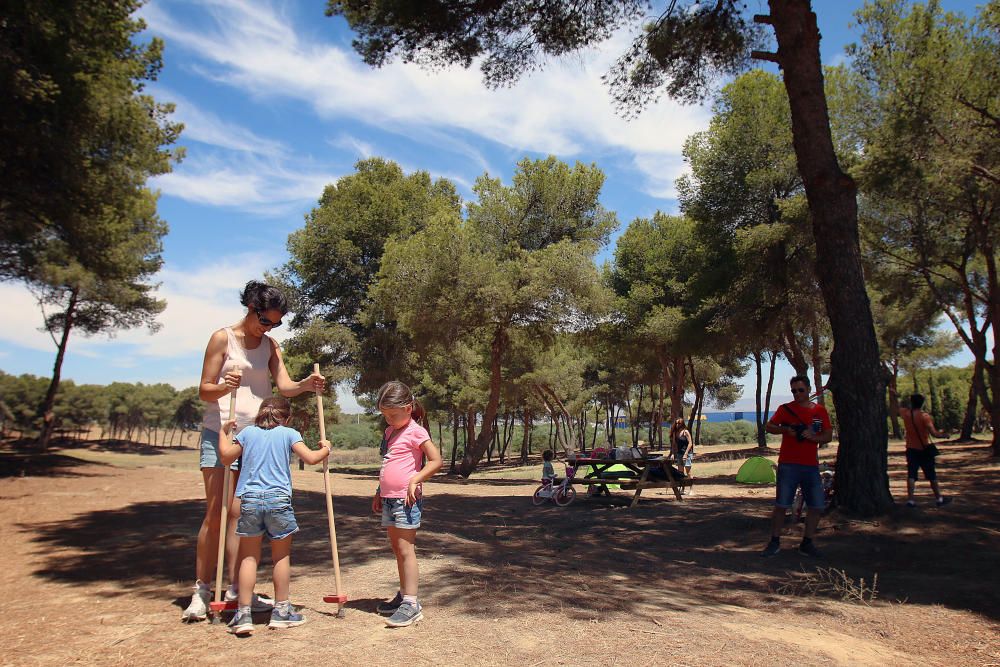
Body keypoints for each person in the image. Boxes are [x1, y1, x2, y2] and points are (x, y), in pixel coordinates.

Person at [182, 281, 325, 622]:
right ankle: (202, 590)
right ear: (251, 308)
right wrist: (223, 386)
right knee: (215, 513)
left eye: (275, 324)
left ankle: (236, 591)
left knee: (239, 516)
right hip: (221, 433)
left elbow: (285, 387)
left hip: (258, 439)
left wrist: (306, 384)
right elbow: (204, 390)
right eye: (265, 321)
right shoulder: (222, 339)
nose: (269, 328)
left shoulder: (271, 346)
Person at [217, 397, 332, 635]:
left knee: (248, 557)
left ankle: (244, 613)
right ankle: (281, 611)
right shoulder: (289, 433)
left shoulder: (247, 433)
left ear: (261, 414)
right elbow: (310, 458)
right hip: (278, 500)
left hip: (248, 500)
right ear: (287, 417)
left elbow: (226, 457)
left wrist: (222, 431)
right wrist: (326, 448)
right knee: (281, 556)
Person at [371, 381, 443, 628]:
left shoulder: (416, 431)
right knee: (396, 548)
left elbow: (436, 461)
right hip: (390, 499)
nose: (389, 420)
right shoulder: (390, 432)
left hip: (406, 499)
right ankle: (404, 595)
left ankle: (411, 604)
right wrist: (380, 491)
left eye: (393, 415)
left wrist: (416, 479)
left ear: (409, 408)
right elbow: (390, 463)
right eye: (385, 416)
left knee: (405, 549)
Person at [761, 375, 833, 558]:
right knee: (781, 505)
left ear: (808, 389)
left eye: (800, 390)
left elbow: (827, 435)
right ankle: (774, 542)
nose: (797, 394)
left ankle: (807, 543)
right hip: (788, 465)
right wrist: (786, 430)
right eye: (793, 391)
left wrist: (813, 437)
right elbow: (769, 426)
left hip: (810, 466)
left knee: (816, 506)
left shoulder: (820, 411)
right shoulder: (785, 409)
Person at [897, 393, 950, 508]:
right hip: (924, 449)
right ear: (922, 403)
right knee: (931, 475)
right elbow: (934, 433)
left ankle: (911, 500)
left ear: (912, 402)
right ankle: (939, 499)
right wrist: (944, 435)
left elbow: (898, 406)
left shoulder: (906, 414)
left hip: (910, 448)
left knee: (911, 474)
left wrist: (896, 396)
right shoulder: (924, 416)